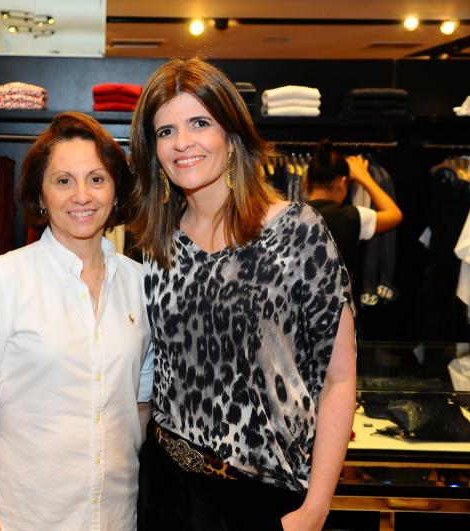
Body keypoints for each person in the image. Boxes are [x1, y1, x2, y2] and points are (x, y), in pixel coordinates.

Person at [128, 57, 357, 531]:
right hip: (165, 488)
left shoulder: (297, 231)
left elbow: (339, 378)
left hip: (263, 494)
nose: (182, 142)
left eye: (199, 123)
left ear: (231, 135)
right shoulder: (156, 243)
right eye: (166, 131)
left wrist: (316, 507)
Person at [0, 112, 154, 531]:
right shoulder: (2, 279)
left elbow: (139, 405)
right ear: (40, 195)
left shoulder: (141, 283)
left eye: (97, 179)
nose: (82, 195)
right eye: (63, 181)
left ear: (116, 191)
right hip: (24, 520)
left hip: (116, 518)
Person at [305, 141, 403, 286]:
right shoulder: (351, 216)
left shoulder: (288, 213)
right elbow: (395, 214)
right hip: (337, 298)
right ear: (342, 182)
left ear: (306, 181)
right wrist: (364, 177)